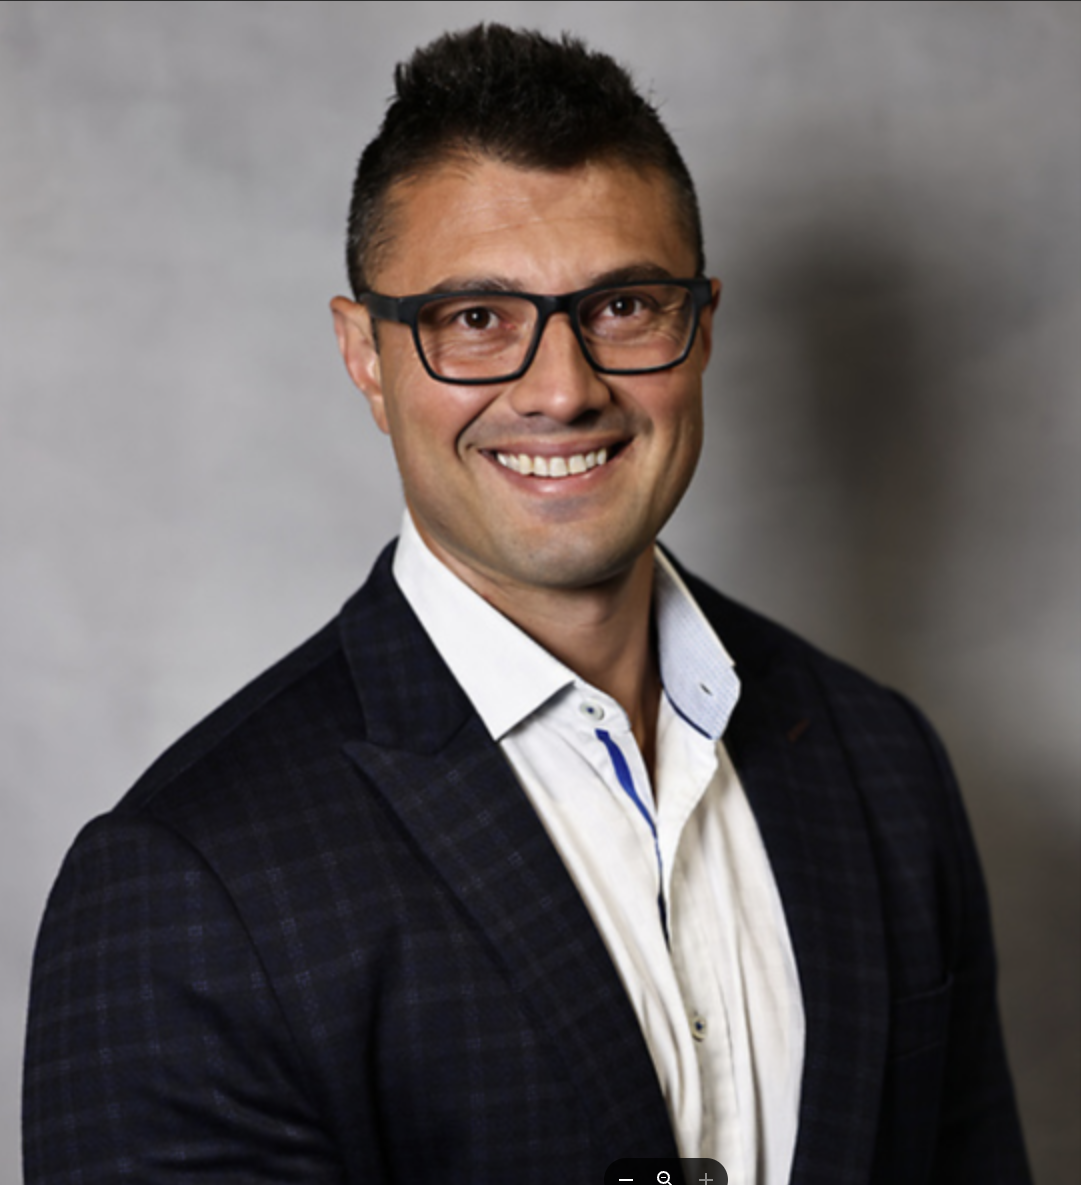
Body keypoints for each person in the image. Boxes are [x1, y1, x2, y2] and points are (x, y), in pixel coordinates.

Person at [23, 24, 1030, 1185]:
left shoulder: (883, 766)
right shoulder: (186, 883)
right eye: (476, 320)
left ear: (701, 325)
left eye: (623, 308)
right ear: (365, 354)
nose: (561, 390)